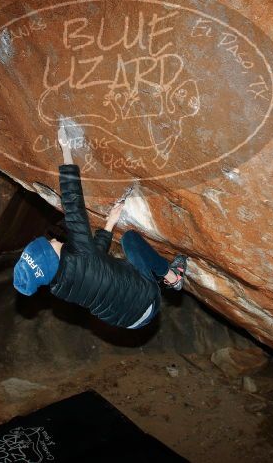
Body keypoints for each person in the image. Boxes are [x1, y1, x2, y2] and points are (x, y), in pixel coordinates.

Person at [12, 129, 187, 329]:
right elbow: (72, 203)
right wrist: (66, 149)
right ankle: (173, 278)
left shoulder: (57, 287)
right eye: (49, 245)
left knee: (113, 270)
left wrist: (110, 223)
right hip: (147, 300)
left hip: (127, 322)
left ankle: (162, 280)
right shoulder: (78, 255)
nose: (52, 240)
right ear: (51, 260)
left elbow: (94, 261)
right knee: (130, 240)